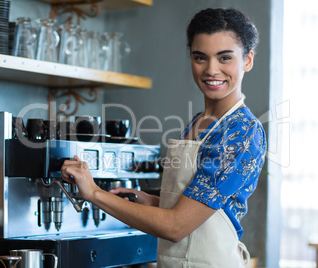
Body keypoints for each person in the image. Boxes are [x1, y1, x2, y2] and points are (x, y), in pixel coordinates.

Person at [61, 7, 267, 267]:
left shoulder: (241, 132)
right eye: (200, 57)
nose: (211, 70)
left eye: (225, 58)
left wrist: (94, 193)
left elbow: (176, 226)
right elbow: (201, 208)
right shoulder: (199, 123)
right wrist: (152, 202)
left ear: (247, 60)